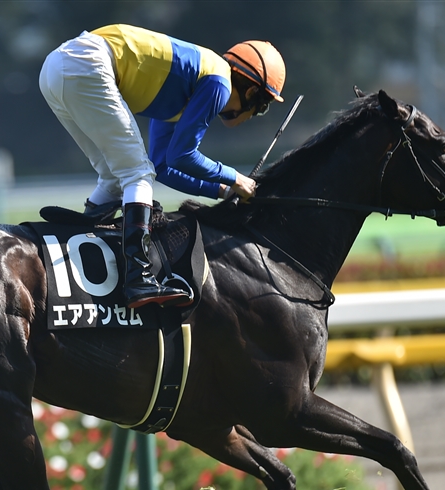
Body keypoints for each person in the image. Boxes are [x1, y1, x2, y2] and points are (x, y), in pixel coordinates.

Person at [39, 25, 286, 308]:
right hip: (86, 64)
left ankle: (80, 241)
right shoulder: (219, 83)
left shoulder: (187, 84)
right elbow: (183, 155)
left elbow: (164, 166)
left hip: (55, 69)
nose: (255, 115)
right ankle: (139, 278)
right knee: (137, 175)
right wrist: (235, 178)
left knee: (115, 177)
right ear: (252, 91)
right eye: (262, 107)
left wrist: (221, 190)